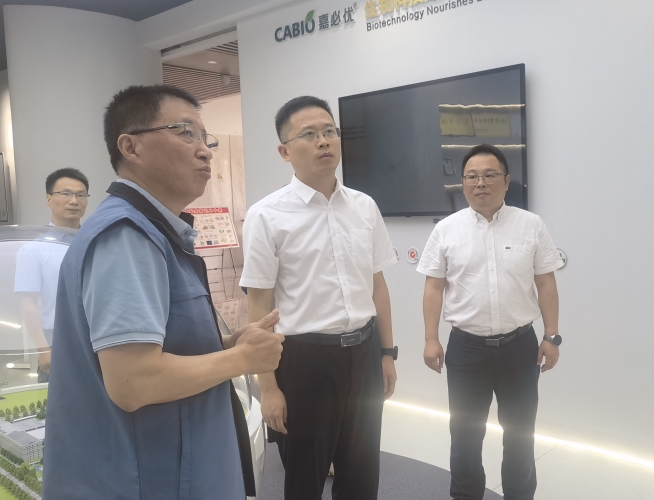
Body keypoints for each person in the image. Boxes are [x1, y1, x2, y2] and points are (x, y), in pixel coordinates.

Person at [42, 85, 285, 500]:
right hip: (149, 479)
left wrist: (226, 344)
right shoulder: (127, 236)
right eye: (185, 132)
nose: (205, 151)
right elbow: (133, 381)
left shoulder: (154, 232)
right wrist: (241, 359)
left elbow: (161, 345)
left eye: (205, 138)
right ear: (130, 147)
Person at [241, 95, 398, 500]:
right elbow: (258, 306)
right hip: (303, 361)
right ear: (285, 151)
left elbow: (377, 286)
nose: (324, 141)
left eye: (330, 131)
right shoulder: (266, 215)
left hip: (364, 352)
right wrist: (268, 387)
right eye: (309, 134)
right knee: (304, 479)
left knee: (362, 472)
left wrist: (387, 353)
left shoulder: (364, 207)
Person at [417, 144, 564, 500]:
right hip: (466, 350)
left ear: (506, 181)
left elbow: (546, 283)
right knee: (465, 437)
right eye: (472, 177)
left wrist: (552, 336)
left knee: (520, 436)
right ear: (463, 183)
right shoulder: (446, 230)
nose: (480, 183)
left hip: (520, 348)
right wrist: (431, 339)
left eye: (489, 175)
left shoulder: (530, 225)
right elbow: (434, 287)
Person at [14, 168, 89, 382]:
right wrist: (43, 349)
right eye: (65, 193)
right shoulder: (34, 249)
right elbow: (28, 302)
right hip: (56, 339)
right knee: (56, 399)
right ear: (49, 199)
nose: (74, 201)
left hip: (97, 337)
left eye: (81, 195)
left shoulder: (96, 243)